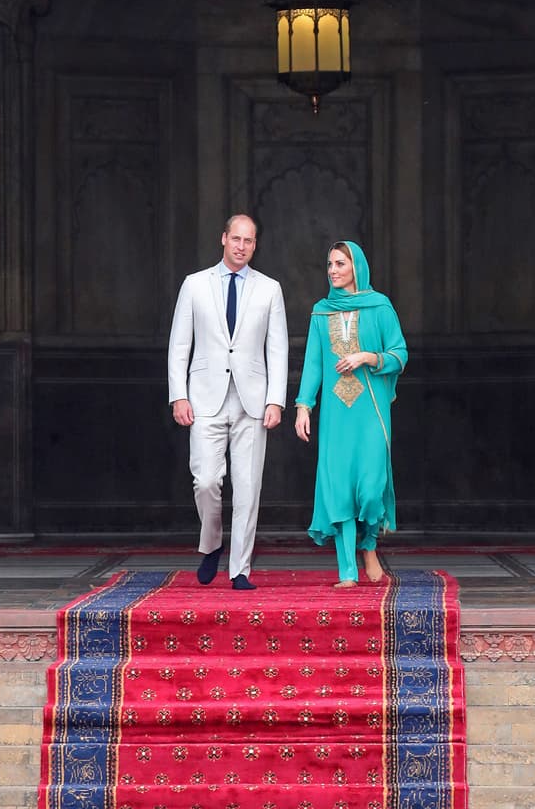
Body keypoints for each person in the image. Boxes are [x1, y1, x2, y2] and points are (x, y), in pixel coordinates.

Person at [168, 213, 289, 591]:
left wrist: (276, 400)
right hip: (205, 397)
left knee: (248, 487)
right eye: (236, 238)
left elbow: (278, 349)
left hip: (252, 400)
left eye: (248, 241)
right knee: (205, 481)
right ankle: (212, 543)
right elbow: (179, 344)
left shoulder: (269, 289)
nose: (241, 246)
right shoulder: (195, 284)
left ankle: (240, 570)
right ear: (223, 238)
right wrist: (178, 395)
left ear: (255, 245)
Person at [294, 239, 408, 587]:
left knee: (371, 486)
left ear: (356, 267)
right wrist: (303, 406)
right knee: (338, 484)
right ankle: (347, 570)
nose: (333, 271)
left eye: (340, 264)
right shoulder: (321, 312)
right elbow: (314, 363)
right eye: (330, 264)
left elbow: (400, 354)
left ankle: (369, 544)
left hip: (370, 411)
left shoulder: (380, 307)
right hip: (336, 413)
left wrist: (367, 357)